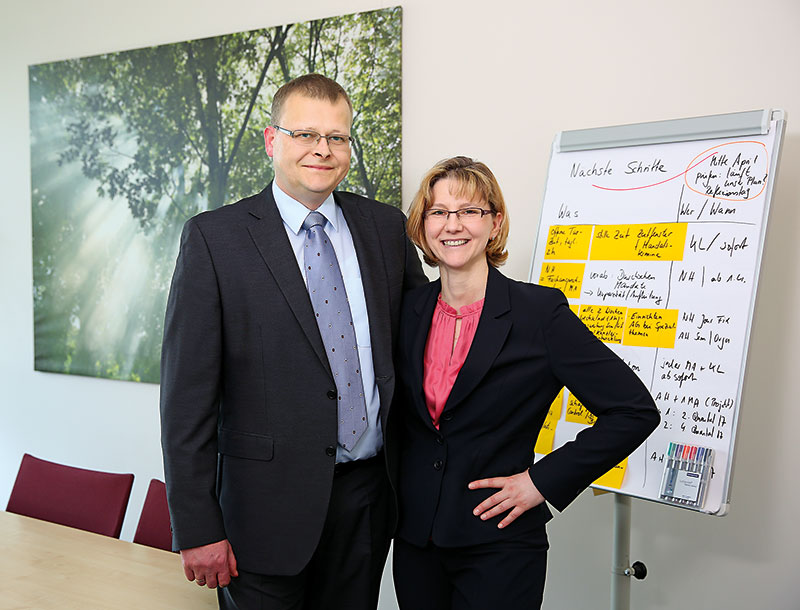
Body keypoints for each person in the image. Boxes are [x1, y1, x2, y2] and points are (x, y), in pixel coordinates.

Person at [159, 73, 426, 610]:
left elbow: (423, 344)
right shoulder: (216, 239)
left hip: (368, 502)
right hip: (261, 515)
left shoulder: (385, 229)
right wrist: (196, 526)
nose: (322, 150)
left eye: (337, 137)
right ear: (271, 139)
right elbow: (185, 400)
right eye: (305, 134)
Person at [389, 156, 660, 609]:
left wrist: (540, 481)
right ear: (422, 226)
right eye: (438, 211)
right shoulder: (406, 312)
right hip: (417, 543)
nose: (452, 225)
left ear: (494, 223)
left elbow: (634, 411)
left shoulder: (539, 314)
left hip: (500, 546)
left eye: (469, 211)